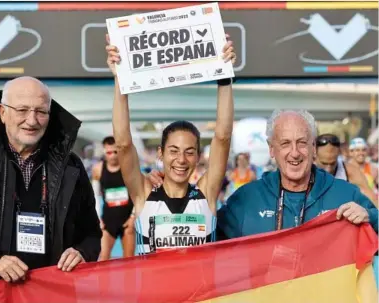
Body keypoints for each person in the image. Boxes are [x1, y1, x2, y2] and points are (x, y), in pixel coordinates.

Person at [0, 76, 102, 303]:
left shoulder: (70, 167)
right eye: (22, 110)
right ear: (2, 112)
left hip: (49, 295)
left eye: (41, 111)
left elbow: (91, 234)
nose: (32, 120)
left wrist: (83, 253)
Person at [106, 34, 236, 254]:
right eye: (173, 151)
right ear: (161, 153)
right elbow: (123, 143)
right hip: (153, 290)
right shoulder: (144, 194)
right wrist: (120, 79)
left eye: (189, 152)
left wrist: (224, 75)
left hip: (203, 290)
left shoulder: (207, 193)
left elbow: (222, 137)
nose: (181, 160)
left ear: (197, 156)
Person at [217, 110, 378, 239]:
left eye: (302, 143)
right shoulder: (247, 199)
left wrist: (371, 218)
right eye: (285, 143)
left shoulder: (344, 194)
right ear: (271, 148)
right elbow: (205, 242)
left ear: (313, 147)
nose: (294, 153)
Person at [92, 136, 135, 260]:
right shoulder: (98, 169)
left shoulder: (129, 168)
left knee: (129, 261)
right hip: (108, 221)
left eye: (115, 152)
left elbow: (138, 194)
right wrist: (98, 218)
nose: (112, 156)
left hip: (127, 222)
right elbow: (94, 196)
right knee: (102, 260)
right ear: (104, 152)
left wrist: (132, 217)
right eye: (109, 152)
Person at [315, 134, 377, 206]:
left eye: (332, 163)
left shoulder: (350, 170)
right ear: (315, 155)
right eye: (324, 163)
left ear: (338, 154)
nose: (328, 169)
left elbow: (372, 200)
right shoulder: (307, 170)